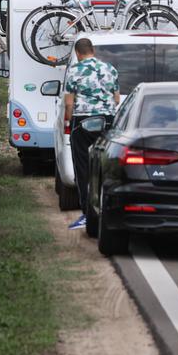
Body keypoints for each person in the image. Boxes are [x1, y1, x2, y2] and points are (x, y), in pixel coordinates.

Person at [63, 37, 120, 230]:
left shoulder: (74, 71)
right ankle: (109, 210)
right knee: (106, 165)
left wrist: (70, 121)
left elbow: (69, 103)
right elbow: (117, 99)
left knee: (83, 168)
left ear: (78, 53)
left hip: (84, 121)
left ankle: (88, 214)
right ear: (92, 50)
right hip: (107, 120)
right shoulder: (110, 69)